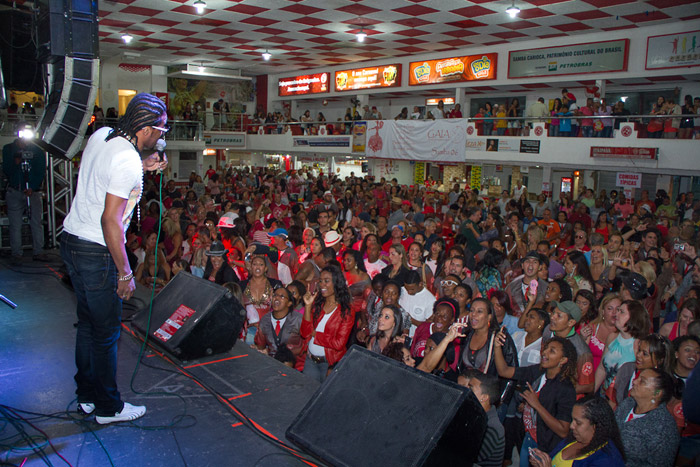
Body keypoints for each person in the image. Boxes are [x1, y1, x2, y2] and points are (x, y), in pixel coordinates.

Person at [60, 93, 168, 424]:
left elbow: (107, 174)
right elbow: (111, 221)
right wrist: (124, 273)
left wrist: (142, 165)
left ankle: (88, 397)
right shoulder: (127, 161)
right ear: (146, 129)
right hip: (97, 251)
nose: (161, 138)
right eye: (160, 131)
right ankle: (109, 407)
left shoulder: (103, 135)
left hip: (72, 241)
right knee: (106, 333)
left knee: (89, 327)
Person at [493, 334, 578, 466]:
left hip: (546, 446)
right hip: (530, 437)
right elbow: (504, 371)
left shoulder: (566, 389)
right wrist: (497, 347)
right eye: (546, 348)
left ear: (563, 360)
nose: (544, 352)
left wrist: (536, 405)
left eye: (552, 351)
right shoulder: (538, 371)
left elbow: (563, 430)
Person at [528, 396, 626, 467]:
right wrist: (542, 461)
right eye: (572, 420)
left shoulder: (607, 460)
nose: (571, 426)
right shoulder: (573, 439)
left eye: (578, 423)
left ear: (596, 426)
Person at [614, 368, 680, 467]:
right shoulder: (627, 404)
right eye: (637, 378)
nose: (635, 381)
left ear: (657, 393)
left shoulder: (664, 428)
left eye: (642, 381)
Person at [3, 122, 48, 264]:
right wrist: (15, 161)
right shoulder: (8, 149)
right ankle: (17, 253)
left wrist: (33, 186)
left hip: (33, 192)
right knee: (15, 223)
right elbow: (7, 170)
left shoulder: (37, 151)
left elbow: (40, 171)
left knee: (36, 222)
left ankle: (38, 251)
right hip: (15, 191)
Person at [301, 265, 354, 382]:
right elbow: (305, 333)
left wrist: (316, 335)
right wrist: (308, 306)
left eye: (326, 281)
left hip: (329, 364)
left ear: (336, 283)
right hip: (310, 361)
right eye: (320, 281)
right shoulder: (317, 304)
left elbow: (339, 343)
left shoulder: (346, 311)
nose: (322, 284)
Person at [464, 372, 506, 467]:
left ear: (484, 397)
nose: (466, 389)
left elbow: (468, 455)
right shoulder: (475, 414)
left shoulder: (492, 427)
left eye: (471, 388)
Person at [254, 287, 302, 359]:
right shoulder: (265, 320)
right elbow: (261, 345)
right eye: (275, 295)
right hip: (272, 362)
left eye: (282, 296)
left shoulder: (298, 319)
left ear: (289, 303)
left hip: (294, 364)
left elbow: (306, 345)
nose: (276, 298)